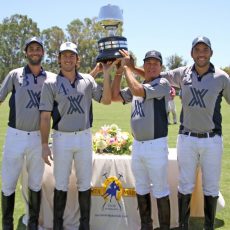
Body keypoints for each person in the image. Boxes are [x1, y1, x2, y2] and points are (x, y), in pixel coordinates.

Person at [126, 36, 230, 230]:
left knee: (211, 187)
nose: (201, 53)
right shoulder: (183, 73)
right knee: (185, 186)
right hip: (187, 138)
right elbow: (155, 74)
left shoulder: (222, 77)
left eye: (205, 50)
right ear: (191, 53)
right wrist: (131, 68)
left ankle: (208, 226)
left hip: (212, 139)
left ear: (211, 53)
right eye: (197, 50)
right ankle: (183, 226)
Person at [39, 41, 114, 230]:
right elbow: (46, 117)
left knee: (84, 182)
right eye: (64, 55)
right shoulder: (50, 83)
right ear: (59, 59)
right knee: (61, 183)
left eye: (72, 55)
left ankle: (84, 225)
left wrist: (105, 73)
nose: (68, 58)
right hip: (61, 138)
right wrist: (44, 144)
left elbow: (105, 101)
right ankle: (58, 225)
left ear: (77, 60)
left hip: (83, 136)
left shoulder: (88, 80)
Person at [112, 50, 171, 229]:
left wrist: (128, 67)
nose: (152, 66)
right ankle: (146, 226)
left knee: (160, 190)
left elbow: (138, 90)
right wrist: (119, 71)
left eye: (156, 63)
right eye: (149, 63)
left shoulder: (162, 83)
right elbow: (115, 96)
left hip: (156, 145)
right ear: (144, 65)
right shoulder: (139, 82)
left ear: (161, 67)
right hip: (138, 146)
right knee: (141, 188)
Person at [0, 37, 55, 230]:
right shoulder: (15, 75)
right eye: (30, 48)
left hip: (38, 138)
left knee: (35, 183)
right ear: (26, 53)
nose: (34, 52)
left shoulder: (51, 78)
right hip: (15, 135)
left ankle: (33, 222)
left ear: (43, 53)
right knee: (8, 182)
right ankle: (7, 224)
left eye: (38, 49)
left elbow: (71, 85)